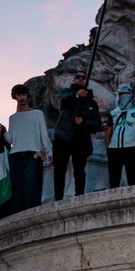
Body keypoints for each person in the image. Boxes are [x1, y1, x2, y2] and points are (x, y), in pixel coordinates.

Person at [53, 70, 101, 202]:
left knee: (79, 171)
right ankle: (58, 200)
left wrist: (83, 122)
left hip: (81, 140)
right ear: (74, 79)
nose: (80, 79)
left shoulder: (92, 102)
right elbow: (63, 100)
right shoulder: (66, 92)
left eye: (83, 77)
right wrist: (76, 95)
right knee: (59, 171)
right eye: (78, 77)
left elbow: (97, 124)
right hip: (63, 138)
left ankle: (79, 198)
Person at [6, 83, 51, 215]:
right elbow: (11, 139)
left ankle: (32, 217)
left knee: (32, 189)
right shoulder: (13, 118)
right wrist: (2, 132)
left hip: (32, 155)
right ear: (15, 97)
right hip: (15, 156)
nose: (22, 98)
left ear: (27, 96)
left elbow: (44, 134)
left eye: (24, 95)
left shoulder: (37, 114)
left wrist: (48, 151)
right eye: (19, 95)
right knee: (17, 190)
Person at [105, 84, 135, 188]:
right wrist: (107, 147)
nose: (124, 96)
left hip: (131, 147)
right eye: (122, 94)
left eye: (127, 94)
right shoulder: (113, 112)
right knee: (113, 179)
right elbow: (108, 131)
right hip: (114, 149)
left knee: (133, 178)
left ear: (131, 95)